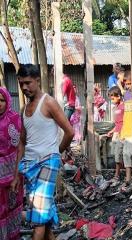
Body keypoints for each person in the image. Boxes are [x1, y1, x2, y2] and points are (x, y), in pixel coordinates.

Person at [16, 64, 74, 240]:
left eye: (28, 83)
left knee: (39, 220)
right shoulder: (23, 110)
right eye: (21, 84)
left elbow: (70, 132)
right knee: (44, 216)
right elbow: (22, 143)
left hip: (48, 162)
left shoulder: (48, 102)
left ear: (37, 80)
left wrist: (55, 153)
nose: (25, 87)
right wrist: (15, 173)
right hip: (30, 166)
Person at [0, 87, 24, 240]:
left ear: (7, 101)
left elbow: (20, 147)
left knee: (11, 208)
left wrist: (15, 175)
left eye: (1, 100)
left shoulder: (15, 119)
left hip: (13, 175)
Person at [119, 69, 132, 192]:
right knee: (126, 155)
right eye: (127, 83)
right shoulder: (127, 95)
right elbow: (125, 115)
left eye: (130, 83)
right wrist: (122, 131)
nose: (128, 86)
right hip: (127, 130)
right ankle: (128, 178)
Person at [107, 86, 125, 187]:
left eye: (113, 98)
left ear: (119, 96)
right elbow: (117, 124)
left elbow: (125, 122)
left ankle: (118, 175)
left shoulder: (124, 106)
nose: (112, 100)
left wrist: (122, 133)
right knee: (116, 155)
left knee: (120, 155)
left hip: (122, 134)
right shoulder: (116, 107)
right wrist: (111, 131)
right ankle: (119, 174)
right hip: (116, 133)